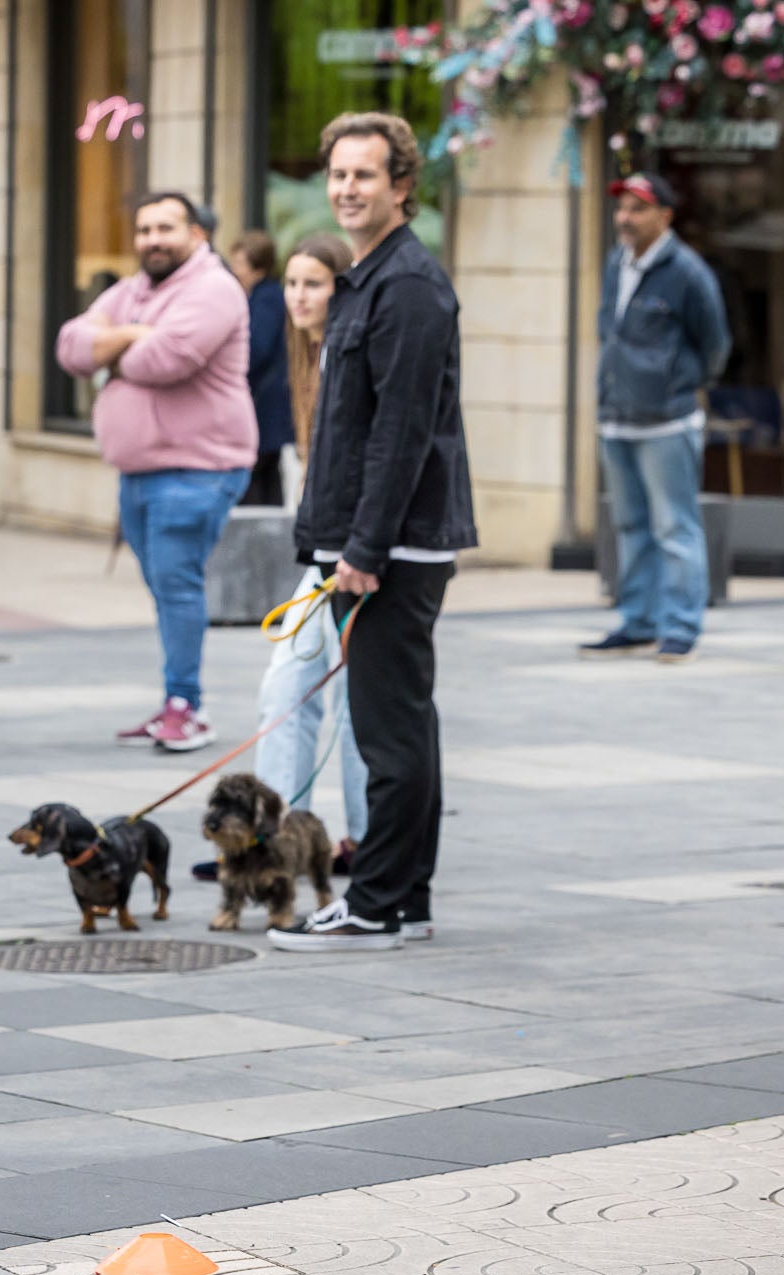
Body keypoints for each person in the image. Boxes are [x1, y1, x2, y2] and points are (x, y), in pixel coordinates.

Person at [268, 112, 476, 953]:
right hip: (374, 541)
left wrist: (362, 549)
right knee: (402, 724)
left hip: (392, 548)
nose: (348, 188)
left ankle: (379, 903)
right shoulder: (370, 277)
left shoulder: (409, 288)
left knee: (389, 731)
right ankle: (407, 899)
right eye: (339, 174)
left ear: (401, 185)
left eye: (366, 174)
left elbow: (402, 434)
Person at [56, 190, 256, 753]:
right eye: (144, 230)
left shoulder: (213, 288)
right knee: (167, 588)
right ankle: (179, 698)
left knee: (176, 584)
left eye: (166, 228)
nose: (152, 240)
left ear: (198, 235)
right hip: (141, 470)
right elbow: (71, 347)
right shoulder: (138, 291)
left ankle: (186, 707)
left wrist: (110, 347)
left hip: (197, 467)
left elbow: (165, 360)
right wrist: (126, 338)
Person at [196, 234, 368, 886]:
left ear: (342, 288)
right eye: (293, 282)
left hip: (353, 554)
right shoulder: (310, 356)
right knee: (286, 688)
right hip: (323, 550)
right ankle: (271, 839)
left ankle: (360, 839)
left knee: (353, 699)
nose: (299, 295)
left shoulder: (353, 354)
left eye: (314, 283)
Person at [579, 171, 730, 665]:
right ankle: (637, 622)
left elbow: (715, 344)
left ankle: (680, 627)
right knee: (630, 525)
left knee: (674, 526)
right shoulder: (614, 262)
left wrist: (678, 385)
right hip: (617, 416)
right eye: (621, 207)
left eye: (637, 208)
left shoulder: (686, 271)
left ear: (665, 216)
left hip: (667, 419)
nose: (625, 217)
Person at [229, 230, 289, 507]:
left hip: (263, 408)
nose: (234, 270)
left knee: (255, 481)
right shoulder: (260, 295)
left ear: (259, 267)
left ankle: (259, 544)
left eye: (240, 263)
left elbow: (255, 349)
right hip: (265, 408)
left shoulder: (266, 299)